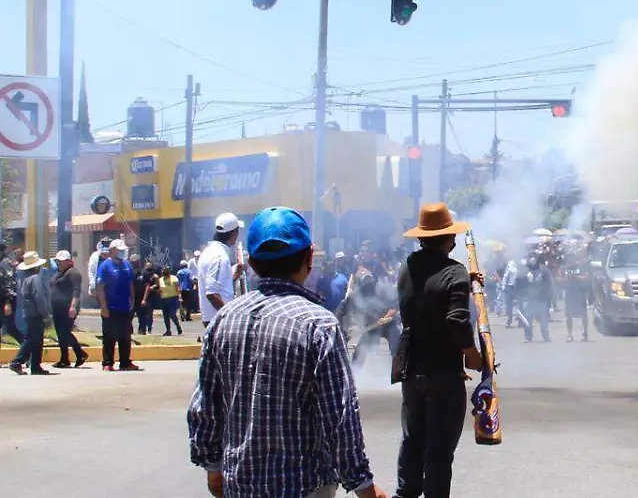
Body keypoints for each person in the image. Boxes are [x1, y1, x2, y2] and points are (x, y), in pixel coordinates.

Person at [188, 207, 389, 498]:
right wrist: (362, 485)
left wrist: (213, 467)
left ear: (252, 263)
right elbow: (340, 416)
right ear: (308, 259)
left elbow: (205, 405)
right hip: (304, 486)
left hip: (240, 484)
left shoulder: (223, 319)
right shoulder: (319, 325)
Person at [394, 203, 484, 498]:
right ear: (449, 239)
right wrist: (470, 353)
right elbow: (456, 320)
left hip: (412, 368)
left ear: (421, 238)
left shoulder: (406, 267)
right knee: (439, 452)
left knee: (413, 442)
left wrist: (465, 282)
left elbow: (428, 295)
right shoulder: (454, 272)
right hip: (443, 372)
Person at [96, 239, 140, 372]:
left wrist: (132, 300)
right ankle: (107, 363)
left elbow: (130, 283)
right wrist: (103, 306)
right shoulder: (105, 266)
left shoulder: (126, 265)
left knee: (125, 336)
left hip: (125, 307)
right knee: (109, 336)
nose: (122, 252)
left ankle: (125, 362)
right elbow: (100, 287)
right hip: (111, 308)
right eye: (119, 250)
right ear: (112, 250)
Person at [8, 252, 53, 375]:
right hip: (36, 313)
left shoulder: (25, 278)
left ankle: (35, 366)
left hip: (28, 312)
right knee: (32, 340)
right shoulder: (35, 279)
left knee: (35, 340)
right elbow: (40, 298)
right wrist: (46, 315)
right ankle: (17, 362)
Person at [199, 213, 243, 330]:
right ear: (234, 233)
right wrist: (229, 315)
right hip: (219, 320)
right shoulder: (219, 256)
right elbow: (211, 293)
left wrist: (235, 276)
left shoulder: (209, 252)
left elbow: (220, 287)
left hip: (214, 318)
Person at [48, 250, 88, 368]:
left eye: (62, 261)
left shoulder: (73, 273)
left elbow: (76, 291)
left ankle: (80, 353)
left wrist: (73, 306)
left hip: (68, 307)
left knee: (65, 332)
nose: (59, 263)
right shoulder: (58, 273)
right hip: (57, 308)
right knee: (60, 334)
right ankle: (64, 358)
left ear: (68, 261)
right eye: (58, 261)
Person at [562, 248, 590, 342]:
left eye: (572, 257)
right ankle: (569, 335)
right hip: (569, 293)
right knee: (569, 316)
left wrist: (575, 277)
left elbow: (586, 277)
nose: (571, 260)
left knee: (583, 315)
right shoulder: (565, 268)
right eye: (569, 258)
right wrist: (566, 278)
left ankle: (585, 333)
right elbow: (559, 280)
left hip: (580, 293)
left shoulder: (581, 267)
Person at [0, 246, 24, 345]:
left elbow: (9, 284)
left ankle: (27, 348)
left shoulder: (6, 263)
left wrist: (7, 302)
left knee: (10, 328)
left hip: (5, 301)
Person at [155, 264, 184, 336]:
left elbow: (178, 288)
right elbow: (159, 288)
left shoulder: (174, 278)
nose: (164, 272)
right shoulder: (160, 279)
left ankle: (178, 327)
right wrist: (158, 291)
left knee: (172, 314)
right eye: (163, 271)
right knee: (165, 316)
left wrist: (180, 297)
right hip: (164, 299)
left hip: (173, 298)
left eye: (166, 271)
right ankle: (168, 330)